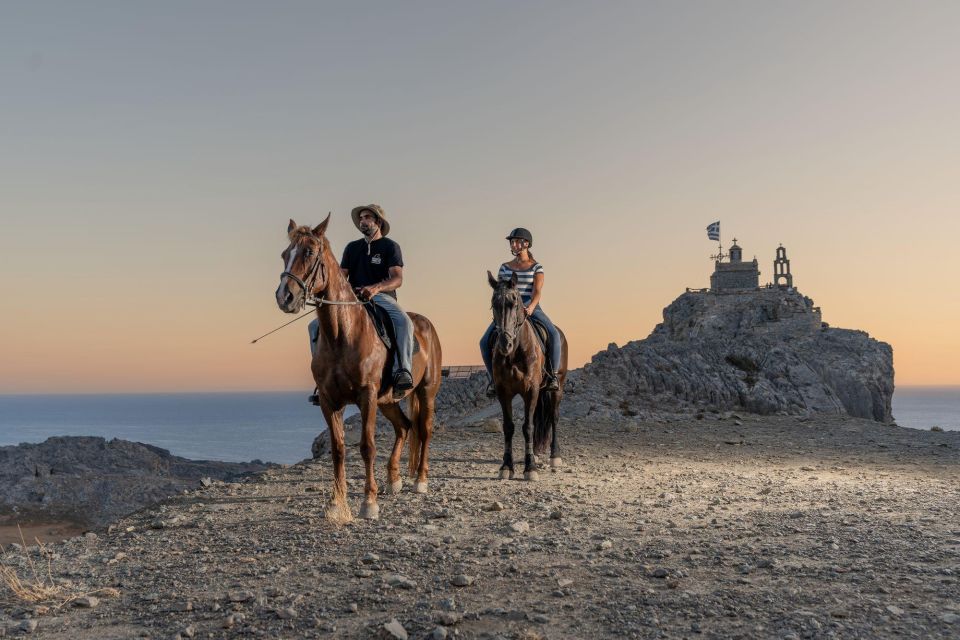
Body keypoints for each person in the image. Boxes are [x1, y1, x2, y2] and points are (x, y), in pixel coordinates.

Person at [308, 204, 414, 401]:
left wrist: (375, 288)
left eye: (366, 217)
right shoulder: (352, 247)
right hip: (353, 299)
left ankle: (403, 370)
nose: (362, 221)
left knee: (404, 322)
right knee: (314, 326)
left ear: (378, 222)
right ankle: (322, 378)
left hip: (382, 297)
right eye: (361, 218)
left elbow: (397, 279)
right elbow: (341, 277)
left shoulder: (390, 247)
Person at [479, 227, 562, 397]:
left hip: (530, 307)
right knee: (484, 341)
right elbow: (501, 291)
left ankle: (552, 376)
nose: (513, 244)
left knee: (553, 334)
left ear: (526, 244)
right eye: (512, 242)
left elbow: (537, 291)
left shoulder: (536, 267)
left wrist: (530, 307)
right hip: (509, 309)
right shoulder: (504, 267)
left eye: (516, 241)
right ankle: (493, 380)